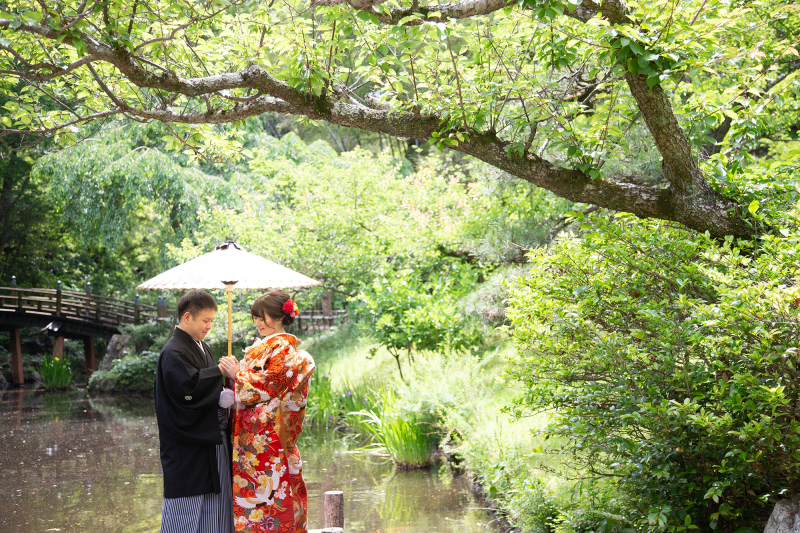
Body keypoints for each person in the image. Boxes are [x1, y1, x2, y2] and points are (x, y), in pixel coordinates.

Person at [154, 290, 239, 533]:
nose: (210, 326)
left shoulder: (202, 346)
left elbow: (205, 384)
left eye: (212, 321)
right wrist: (220, 375)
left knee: (218, 511)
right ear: (188, 317)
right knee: (184, 514)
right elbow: (187, 390)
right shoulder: (173, 352)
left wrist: (225, 391)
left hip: (211, 441)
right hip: (187, 447)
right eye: (206, 321)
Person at [231, 290, 316, 533]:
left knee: (273, 500)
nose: (257, 322)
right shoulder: (268, 348)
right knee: (264, 498)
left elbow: (268, 386)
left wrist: (236, 374)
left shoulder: (284, 350)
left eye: (261, 317)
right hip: (258, 439)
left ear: (278, 318)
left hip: (269, 437)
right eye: (255, 318)